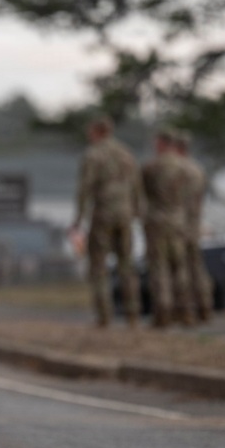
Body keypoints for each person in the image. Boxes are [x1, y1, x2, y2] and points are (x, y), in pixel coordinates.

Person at [69, 116, 143, 327]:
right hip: (125, 215)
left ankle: (104, 315)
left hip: (103, 214)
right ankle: (133, 314)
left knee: (99, 265)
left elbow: (85, 189)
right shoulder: (126, 153)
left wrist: (78, 219)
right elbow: (137, 186)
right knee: (127, 265)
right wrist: (136, 212)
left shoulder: (93, 155)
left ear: (97, 132)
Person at [141, 129, 194, 328]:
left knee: (159, 268)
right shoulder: (186, 168)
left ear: (161, 143)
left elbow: (143, 193)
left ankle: (163, 312)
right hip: (179, 222)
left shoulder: (151, 167)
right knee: (180, 267)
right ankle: (186, 311)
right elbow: (190, 196)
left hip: (157, 222)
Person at [173, 130, 214, 322]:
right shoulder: (198, 169)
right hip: (195, 224)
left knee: (181, 269)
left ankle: (186, 310)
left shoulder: (177, 170)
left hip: (179, 225)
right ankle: (205, 305)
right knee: (198, 268)